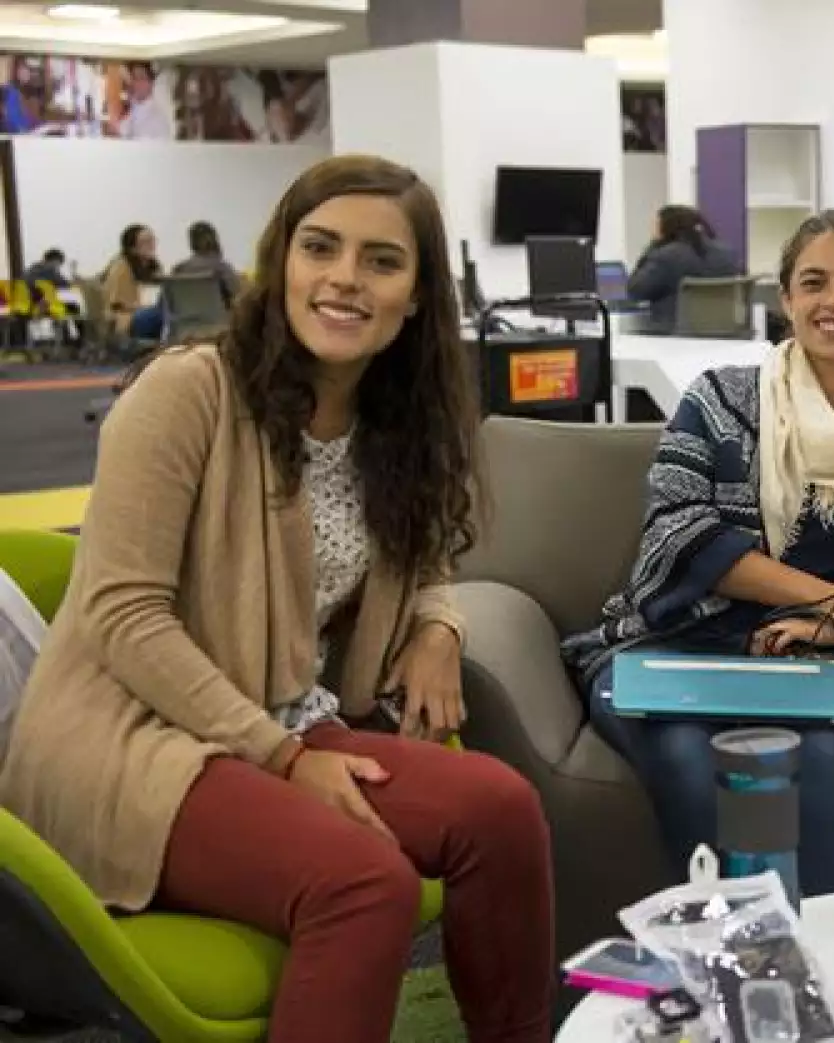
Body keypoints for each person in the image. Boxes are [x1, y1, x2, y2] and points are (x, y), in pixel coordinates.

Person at [0, 155, 555, 1043]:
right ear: (281, 262)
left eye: (381, 260)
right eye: (319, 247)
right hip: (124, 740)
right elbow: (122, 614)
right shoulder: (187, 392)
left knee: (500, 810)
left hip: (279, 717)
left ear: (415, 296)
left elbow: (429, 555)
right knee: (360, 879)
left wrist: (439, 625)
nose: (343, 278)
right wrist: (285, 757)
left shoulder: (395, 423)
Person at [565, 209, 834, 896]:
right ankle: (738, 954)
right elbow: (681, 530)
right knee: (685, 755)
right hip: (678, 644)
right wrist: (824, 596)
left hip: (819, 662)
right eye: (814, 282)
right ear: (786, 300)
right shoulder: (718, 400)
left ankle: (825, 968)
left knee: (826, 758)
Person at [627, 204, 742, 330]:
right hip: (724, 336)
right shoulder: (727, 254)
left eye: (656, 226)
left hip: (675, 339)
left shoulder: (667, 257)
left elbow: (635, 290)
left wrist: (653, 244)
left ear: (666, 227)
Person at [101, 223, 164, 340]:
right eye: (146, 242)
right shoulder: (121, 267)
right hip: (125, 316)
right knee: (154, 316)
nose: (151, 245)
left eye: (152, 240)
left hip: (147, 311)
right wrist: (143, 306)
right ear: (132, 248)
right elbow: (118, 303)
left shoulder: (154, 266)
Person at [172, 220, 244, 306]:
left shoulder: (179, 269)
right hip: (219, 318)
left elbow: (169, 301)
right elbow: (239, 296)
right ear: (215, 240)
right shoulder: (222, 268)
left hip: (183, 319)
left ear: (192, 244)